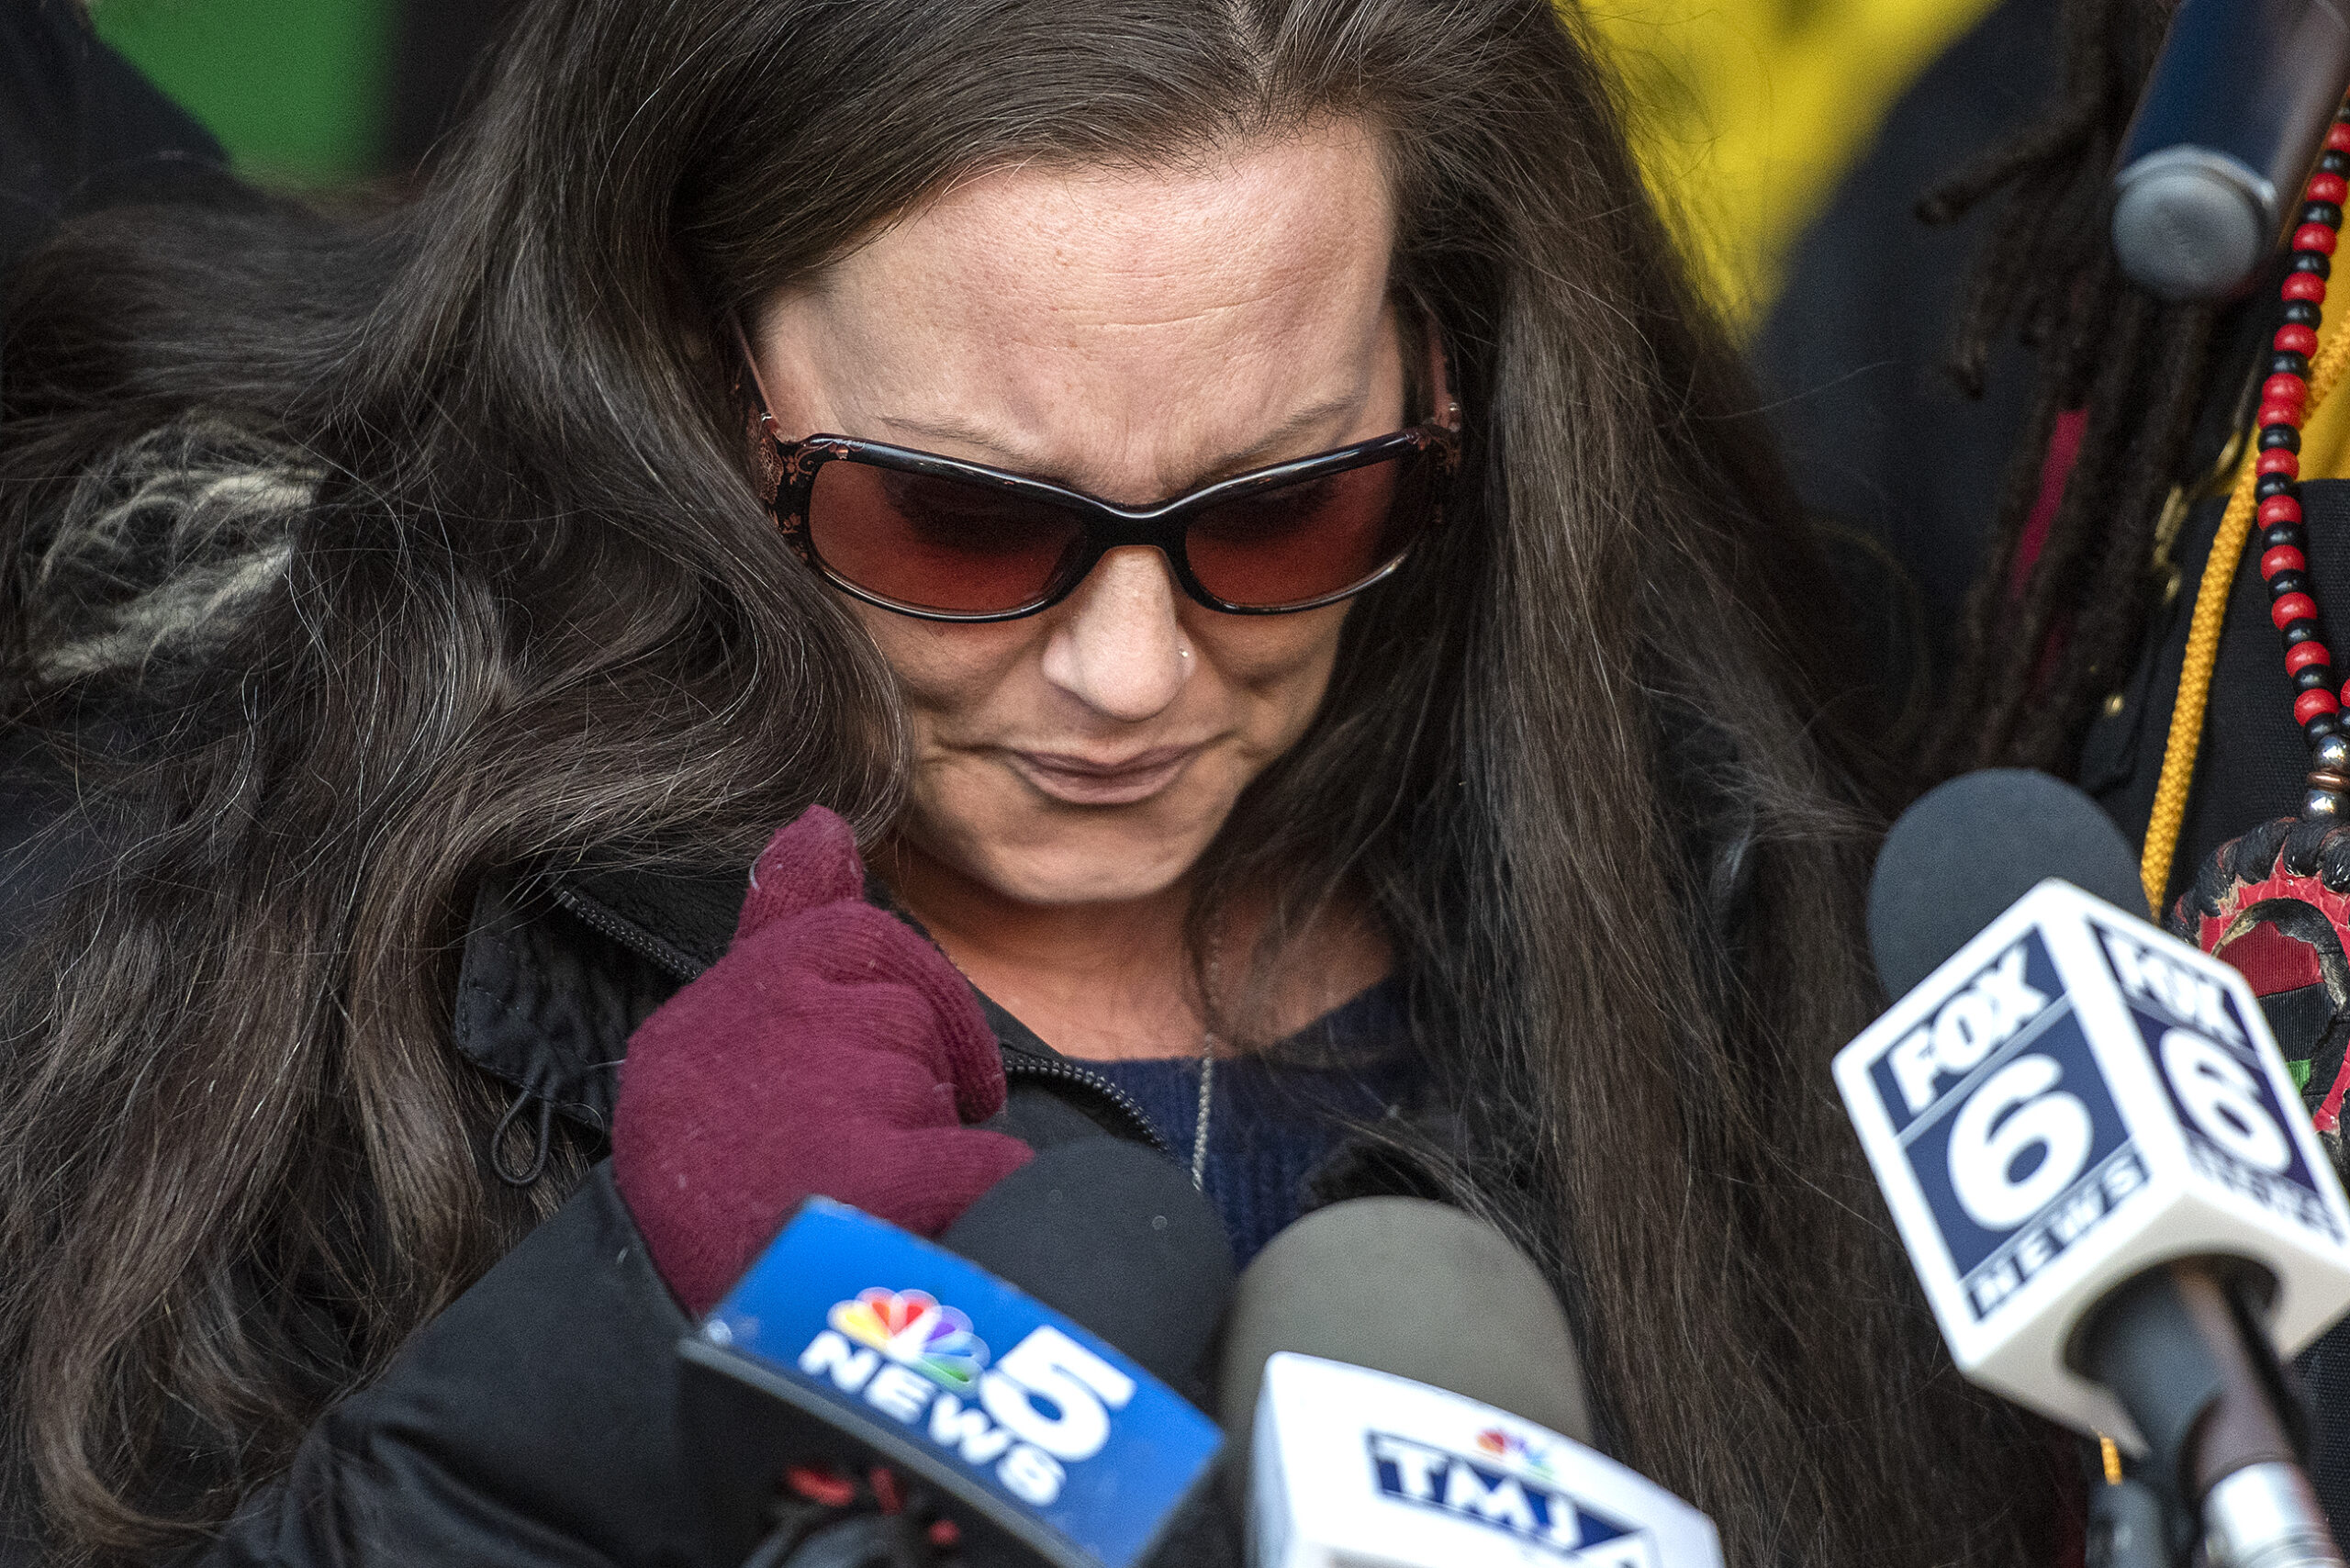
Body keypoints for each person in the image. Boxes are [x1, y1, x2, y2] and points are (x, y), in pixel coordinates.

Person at [0, 1, 2059, 1563]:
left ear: (1451, 393)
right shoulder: (282, 901)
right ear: (672, 386)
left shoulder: (1730, 921)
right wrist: (630, 1340)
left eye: (1289, 506)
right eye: (960, 525)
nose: (1130, 673)